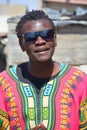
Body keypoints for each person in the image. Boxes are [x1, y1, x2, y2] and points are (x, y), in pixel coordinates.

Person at [0, 10, 87, 130]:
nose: (40, 41)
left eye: (47, 34)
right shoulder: (4, 83)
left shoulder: (80, 81)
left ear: (55, 39)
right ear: (21, 44)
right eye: (31, 37)